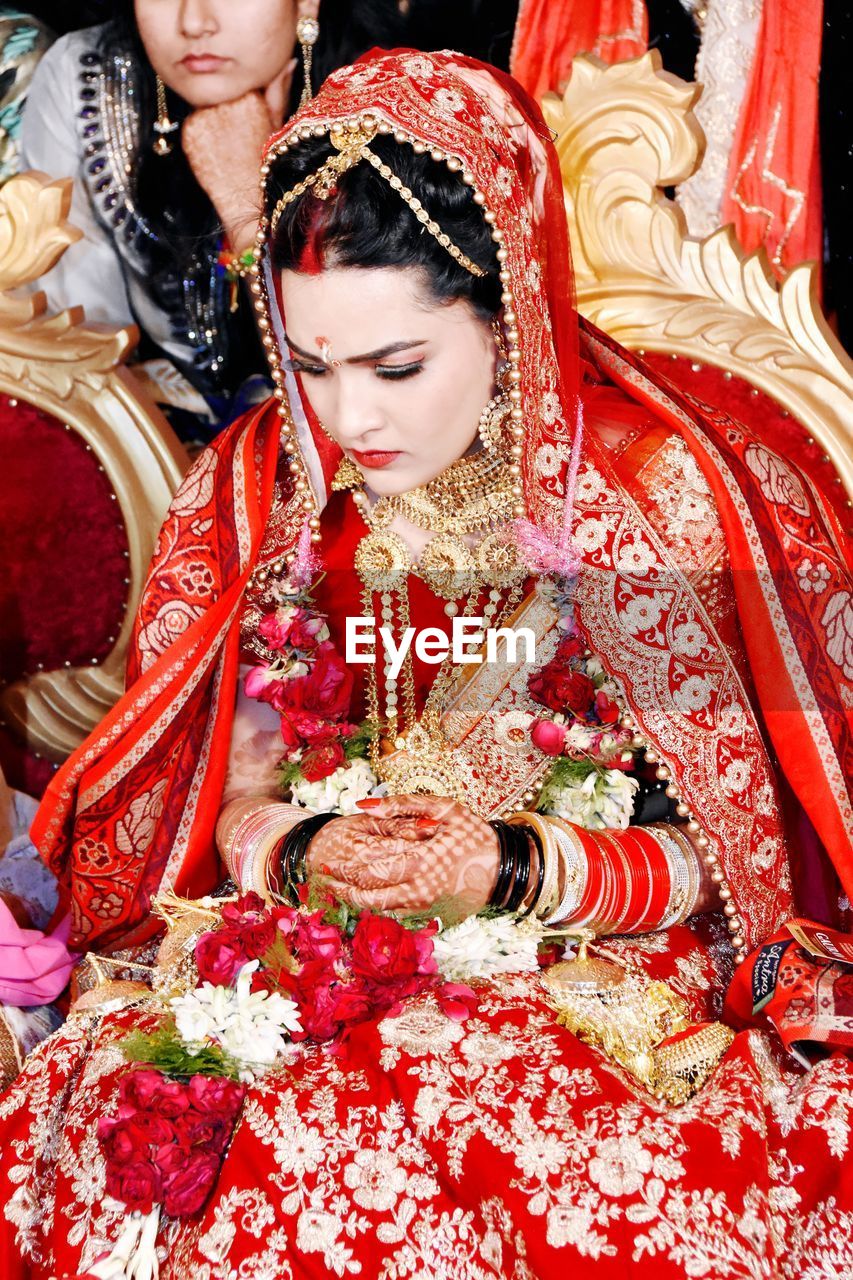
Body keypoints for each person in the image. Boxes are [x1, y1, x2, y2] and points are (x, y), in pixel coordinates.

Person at [2, 50, 851, 1279]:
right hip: (302, 935)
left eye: (396, 366)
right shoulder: (264, 494)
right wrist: (299, 845)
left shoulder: (654, 500)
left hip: (577, 956)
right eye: (310, 364)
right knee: (154, 1113)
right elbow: (203, 788)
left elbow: (739, 859)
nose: (351, 420)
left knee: (423, 1116)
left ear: (508, 310)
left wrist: (512, 863)